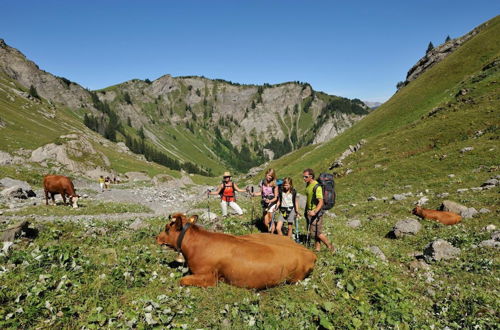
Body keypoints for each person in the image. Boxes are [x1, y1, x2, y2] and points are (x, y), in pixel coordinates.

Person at [303, 168, 335, 252]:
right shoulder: (308, 184)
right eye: (303, 176)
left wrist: (314, 211)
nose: (304, 178)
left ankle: (330, 246)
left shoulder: (317, 187)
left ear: (311, 176)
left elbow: (321, 202)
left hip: (316, 213)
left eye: (306, 177)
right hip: (309, 211)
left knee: (316, 232)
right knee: (314, 230)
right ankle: (317, 248)